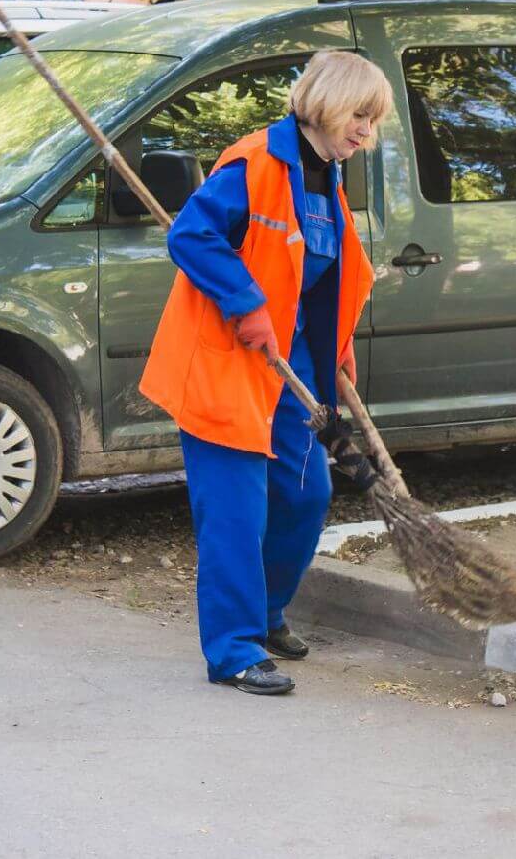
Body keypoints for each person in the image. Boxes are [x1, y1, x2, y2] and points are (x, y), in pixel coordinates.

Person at [139, 51, 394, 695]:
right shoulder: (253, 164)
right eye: (359, 115)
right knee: (235, 510)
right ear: (327, 103)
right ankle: (233, 649)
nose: (366, 131)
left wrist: (334, 345)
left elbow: (317, 274)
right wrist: (244, 302)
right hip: (225, 363)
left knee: (306, 495)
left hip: (289, 366)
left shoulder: (327, 176)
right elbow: (192, 238)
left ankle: (268, 613)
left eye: (374, 120)